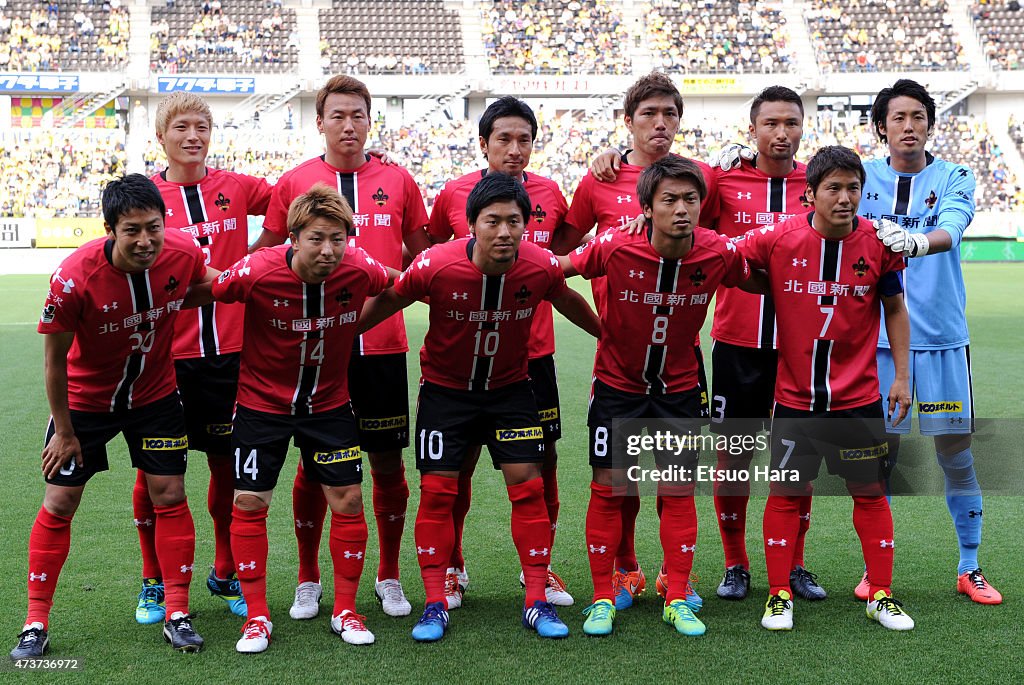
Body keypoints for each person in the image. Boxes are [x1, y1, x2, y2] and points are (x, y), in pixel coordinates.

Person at [357, 173, 601, 642]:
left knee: (528, 491)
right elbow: (391, 296)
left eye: (515, 221)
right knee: (438, 493)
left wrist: (609, 340)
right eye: (493, 221)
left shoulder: (540, 266)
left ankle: (535, 600)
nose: (505, 232)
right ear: (472, 225)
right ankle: (433, 603)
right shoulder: (435, 264)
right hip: (446, 395)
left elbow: (567, 299)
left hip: (511, 392)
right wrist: (344, 334)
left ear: (527, 225)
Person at [11, 174, 216, 659]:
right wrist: (63, 431)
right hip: (85, 404)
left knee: (169, 494)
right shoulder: (72, 277)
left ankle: (178, 613)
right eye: (132, 230)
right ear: (110, 229)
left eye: (153, 227)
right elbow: (53, 360)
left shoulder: (184, 254)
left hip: (156, 397)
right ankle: (35, 621)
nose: (145, 240)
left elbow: (204, 287)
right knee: (60, 502)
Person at [252, 75, 431, 620]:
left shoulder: (398, 180)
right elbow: (266, 261)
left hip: (379, 349)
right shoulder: (293, 182)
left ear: (369, 121)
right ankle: (309, 579)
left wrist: (365, 316)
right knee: (313, 466)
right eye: (338, 115)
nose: (348, 125)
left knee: (386, 465)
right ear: (320, 122)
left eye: (358, 115)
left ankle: (390, 574)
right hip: (308, 355)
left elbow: (421, 267)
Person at [560, 156, 752, 637]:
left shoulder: (718, 252)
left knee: (678, 491)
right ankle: (603, 596)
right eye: (669, 200)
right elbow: (554, 271)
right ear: (646, 207)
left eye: (691, 199)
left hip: (680, 391)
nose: (682, 209)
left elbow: (763, 280)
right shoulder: (614, 247)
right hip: (617, 388)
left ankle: (678, 593)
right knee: (609, 490)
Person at [555, 72, 718, 611]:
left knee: (675, 480)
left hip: (677, 355)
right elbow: (563, 249)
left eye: (670, 114)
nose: (660, 124)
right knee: (616, 479)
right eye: (648, 114)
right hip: (618, 354)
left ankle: (679, 578)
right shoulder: (598, 179)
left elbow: (720, 242)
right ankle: (623, 568)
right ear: (628, 122)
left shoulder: (700, 179)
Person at [736, 146, 915, 632]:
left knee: (871, 494)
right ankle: (777, 594)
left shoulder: (880, 243)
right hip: (795, 400)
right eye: (832, 188)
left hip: (858, 399)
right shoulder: (778, 238)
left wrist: (900, 377)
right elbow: (725, 256)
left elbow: (896, 310)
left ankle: (881, 594)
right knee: (786, 494)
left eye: (852, 188)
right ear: (809, 193)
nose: (844, 197)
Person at [214, 185, 393, 653]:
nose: (329, 250)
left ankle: (346, 609)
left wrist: (358, 321)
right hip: (261, 406)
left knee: (350, 500)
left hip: (329, 405)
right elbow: (209, 288)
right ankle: (256, 617)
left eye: (338, 238)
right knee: (250, 503)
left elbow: (402, 284)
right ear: (293, 237)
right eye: (317, 238)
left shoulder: (358, 268)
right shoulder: (256, 270)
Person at [129, 92, 273, 626]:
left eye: (203, 126)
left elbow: (288, 203)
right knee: (155, 473)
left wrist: (263, 253)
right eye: (182, 127)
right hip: (166, 356)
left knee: (227, 467)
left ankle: (225, 569)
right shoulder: (145, 196)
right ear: (162, 136)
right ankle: (153, 579)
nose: (194, 136)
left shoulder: (236, 186)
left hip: (232, 354)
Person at [426, 96, 572, 609]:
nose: (514, 149)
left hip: (533, 355)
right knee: (456, 464)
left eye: (524, 139)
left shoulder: (552, 193)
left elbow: (559, 262)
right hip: (464, 363)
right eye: (503, 139)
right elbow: (433, 260)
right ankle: (452, 564)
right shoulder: (454, 193)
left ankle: (542, 567)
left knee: (542, 461)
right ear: (483, 142)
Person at [865, 79, 1001, 604]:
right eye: (897, 118)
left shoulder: (955, 176)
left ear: (929, 124)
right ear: (881, 127)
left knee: (955, 452)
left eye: (918, 117)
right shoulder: (861, 177)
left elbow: (954, 225)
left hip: (943, 342)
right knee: (879, 457)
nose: (908, 126)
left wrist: (917, 241)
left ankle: (970, 566)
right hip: (878, 343)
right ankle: (877, 573)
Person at [701, 86, 824, 602]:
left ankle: (794, 563)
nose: (782, 133)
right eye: (771, 123)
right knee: (734, 457)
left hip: (803, 348)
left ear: (802, 128)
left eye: (791, 123)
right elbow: (674, 205)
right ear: (751, 129)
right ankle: (735, 563)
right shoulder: (722, 180)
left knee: (797, 458)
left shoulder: (817, 184)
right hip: (739, 342)